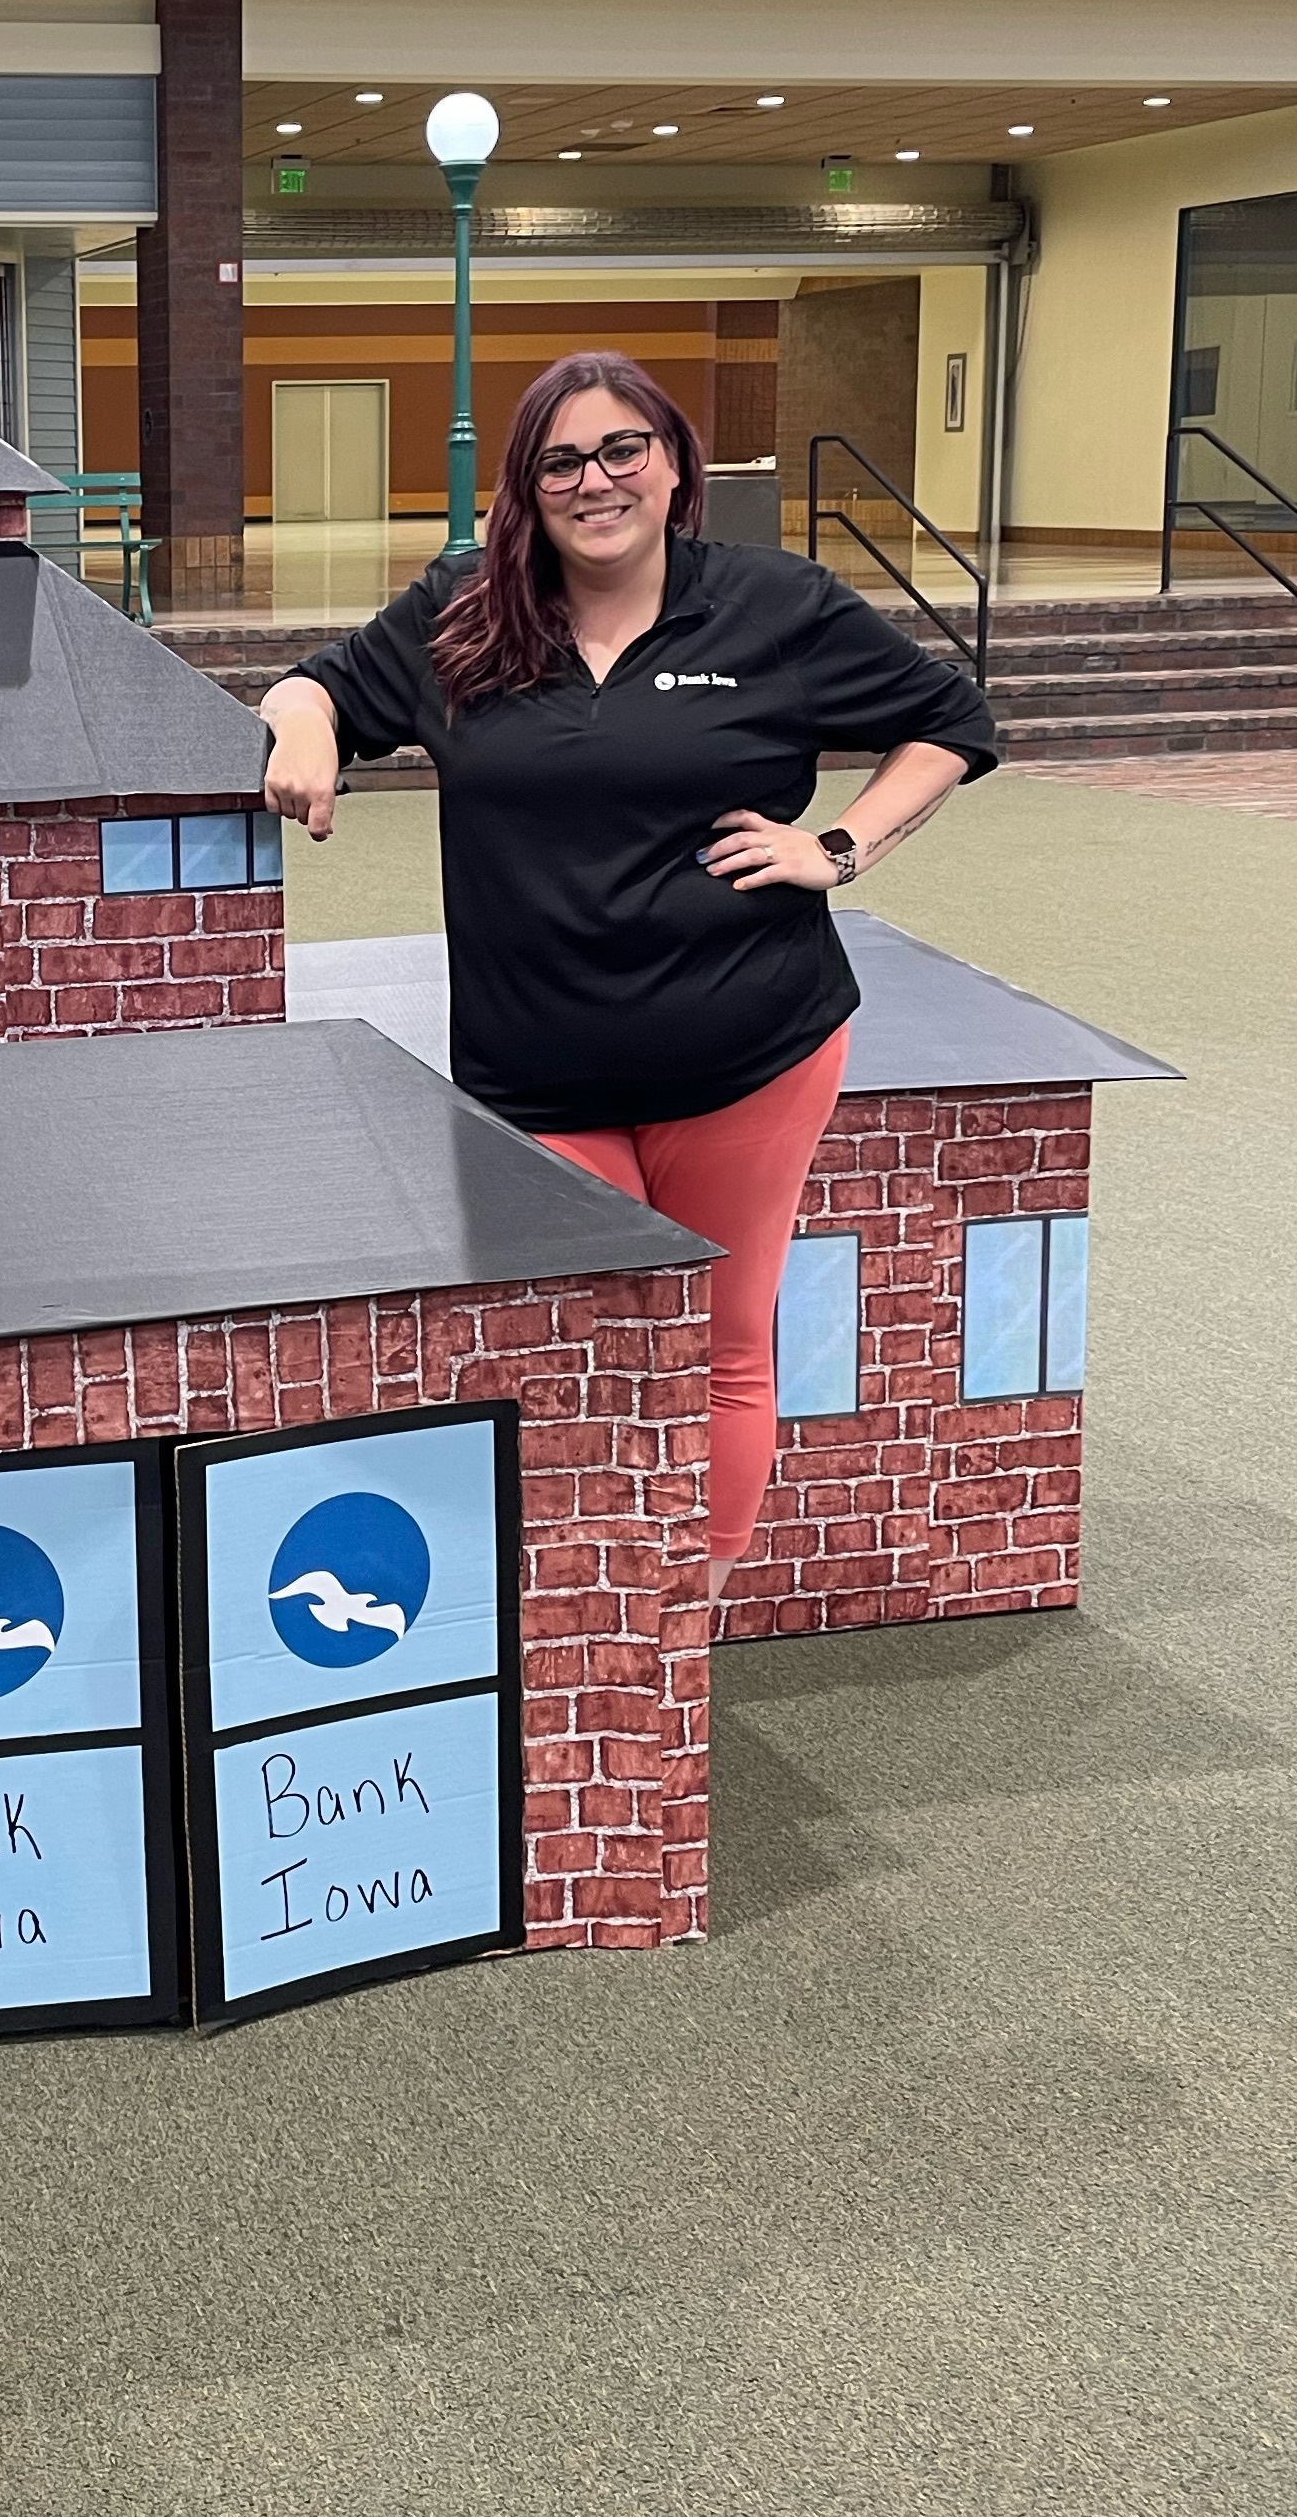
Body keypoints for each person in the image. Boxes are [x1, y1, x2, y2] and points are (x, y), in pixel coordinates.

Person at [258, 348, 998, 1618]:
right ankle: (570, 1609)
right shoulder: (465, 612)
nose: (595, 481)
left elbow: (951, 721)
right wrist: (310, 727)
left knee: (721, 1346)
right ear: (524, 485)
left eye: (621, 452)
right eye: (561, 461)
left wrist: (835, 846)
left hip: (748, 1049)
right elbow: (315, 683)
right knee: (569, 1347)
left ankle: (671, 1637)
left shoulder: (775, 605)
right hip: (537, 1070)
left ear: (671, 466)